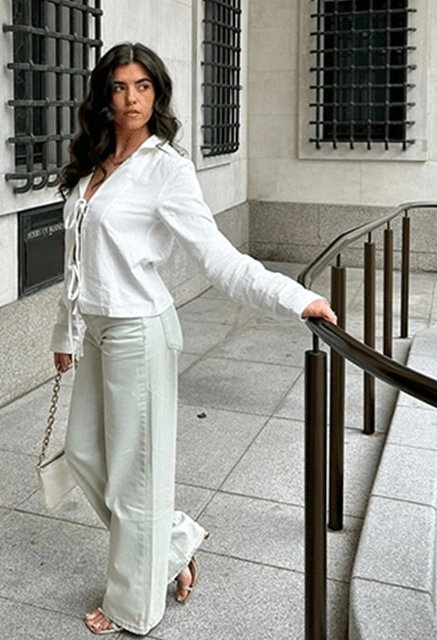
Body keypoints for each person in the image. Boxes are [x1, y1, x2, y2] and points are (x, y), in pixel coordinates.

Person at [50, 42, 336, 636]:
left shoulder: (166, 168)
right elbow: (76, 259)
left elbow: (219, 260)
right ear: (105, 94)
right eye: (120, 87)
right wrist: (66, 330)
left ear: (158, 93)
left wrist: (295, 298)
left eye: (143, 87)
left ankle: (133, 606)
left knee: (135, 473)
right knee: (82, 454)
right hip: (97, 330)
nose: (131, 99)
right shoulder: (97, 160)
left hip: (140, 331)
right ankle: (174, 543)